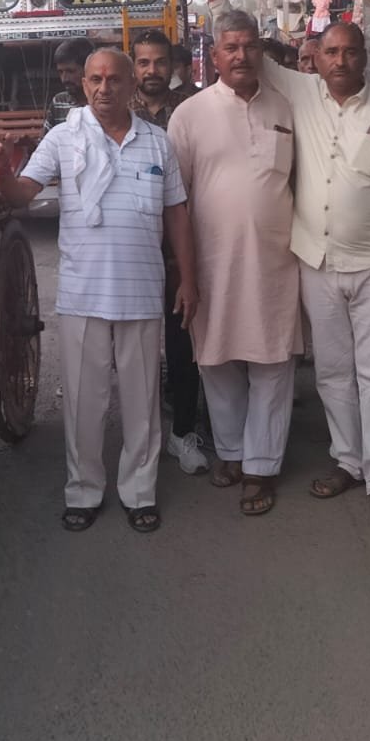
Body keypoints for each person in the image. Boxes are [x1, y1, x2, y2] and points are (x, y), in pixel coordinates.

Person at [193, 0, 370, 531]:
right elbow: (244, 50)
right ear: (316, 60)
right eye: (331, 52)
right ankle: (347, 461)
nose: (341, 60)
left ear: (365, 57)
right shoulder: (299, 94)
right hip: (316, 263)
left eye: (351, 52)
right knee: (330, 371)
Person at [0, 49, 199, 534]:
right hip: (83, 292)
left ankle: (139, 492)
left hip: (143, 290)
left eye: (115, 80)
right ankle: (83, 491)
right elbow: (22, 193)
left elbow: (178, 214)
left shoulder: (157, 143)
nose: (105, 89)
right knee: (84, 400)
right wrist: (0, 170)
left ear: (131, 86)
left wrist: (189, 279)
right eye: (96, 80)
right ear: (83, 85)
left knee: (142, 402)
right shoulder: (63, 138)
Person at [168, 9, 300, 515]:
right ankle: (232, 452)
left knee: (272, 362)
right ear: (214, 55)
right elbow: (174, 199)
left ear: (261, 52)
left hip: (277, 263)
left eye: (249, 46)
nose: (241, 56)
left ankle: (261, 467)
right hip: (212, 264)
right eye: (231, 47)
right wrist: (181, 270)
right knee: (217, 359)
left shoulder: (288, 107)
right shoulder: (190, 115)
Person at [128, 29, 205, 475]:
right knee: (135, 344)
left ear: (173, 65)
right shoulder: (118, 111)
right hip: (134, 245)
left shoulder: (195, 107)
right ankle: (143, 436)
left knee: (183, 339)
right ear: (132, 66)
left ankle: (185, 430)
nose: (152, 71)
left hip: (184, 242)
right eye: (143, 63)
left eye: (159, 62)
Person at [44, 37, 96, 129]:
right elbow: (46, 141)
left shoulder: (103, 101)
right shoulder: (59, 102)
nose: (64, 79)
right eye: (60, 72)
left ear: (88, 69)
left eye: (70, 71)